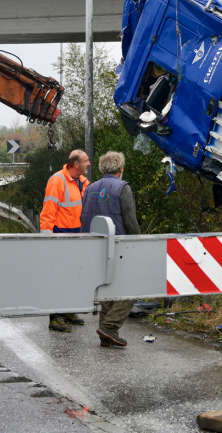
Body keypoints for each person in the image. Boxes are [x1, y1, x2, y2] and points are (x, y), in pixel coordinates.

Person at [79, 151, 141, 347]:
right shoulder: (122, 188)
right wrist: (138, 243)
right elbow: (130, 221)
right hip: (119, 245)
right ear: (120, 169)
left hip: (94, 245)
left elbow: (84, 216)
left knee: (106, 287)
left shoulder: (90, 189)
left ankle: (105, 333)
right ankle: (110, 327)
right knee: (132, 286)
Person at [40, 149, 90, 332]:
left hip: (78, 235)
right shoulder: (57, 180)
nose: (89, 164)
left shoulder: (83, 182)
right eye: (86, 161)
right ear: (76, 164)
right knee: (59, 277)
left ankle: (69, 311)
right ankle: (55, 317)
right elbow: (48, 211)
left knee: (74, 276)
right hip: (60, 236)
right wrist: (47, 238)